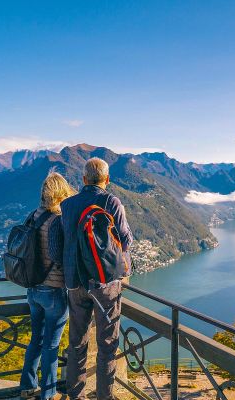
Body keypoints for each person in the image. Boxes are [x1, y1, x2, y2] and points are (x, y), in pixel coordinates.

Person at [57, 157, 133, 400]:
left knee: (77, 343)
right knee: (107, 345)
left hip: (75, 282)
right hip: (105, 284)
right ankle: (104, 396)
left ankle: (75, 395)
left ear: (83, 179)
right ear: (107, 179)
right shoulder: (111, 201)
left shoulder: (67, 205)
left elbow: (62, 242)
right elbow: (126, 239)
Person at [20, 171, 76, 400]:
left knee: (36, 340)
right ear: (61, 193)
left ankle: (27, 386)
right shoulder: (57, 220)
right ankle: (48, 393)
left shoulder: (33, 216)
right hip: (53, 292)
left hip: (32, 290)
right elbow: (55, 254)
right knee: (51, 346)